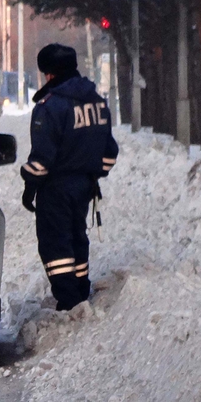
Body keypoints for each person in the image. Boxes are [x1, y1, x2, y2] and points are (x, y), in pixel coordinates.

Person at [20, 43, 118, 311]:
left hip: (56, 188)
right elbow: (109, 151)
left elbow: (42, 160)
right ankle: (80, 288)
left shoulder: (50, 107)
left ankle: (69, 300)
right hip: (85, 186)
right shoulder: (96, 101)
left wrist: (29, 183)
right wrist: (94, 173)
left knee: (56, 242)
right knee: (77, 235)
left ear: (49, 74)